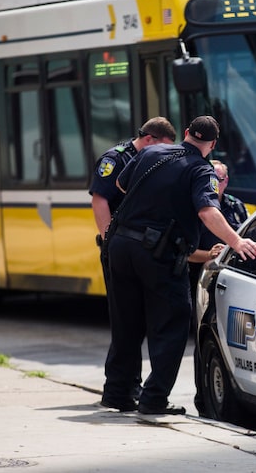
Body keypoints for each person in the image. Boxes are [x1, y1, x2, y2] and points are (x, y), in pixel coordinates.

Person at [102, 115, 256, 415]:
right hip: (157, 252)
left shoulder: (150, 152)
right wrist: (237, 242)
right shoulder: (202, 170)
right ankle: (153, 399)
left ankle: (117, 393)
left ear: (186, 133)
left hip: (121, 246)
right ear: (212, 145)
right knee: (172, 322)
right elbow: (207, 212)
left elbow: (121, 186)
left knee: (126, 321)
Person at [89, 117, 176, 409]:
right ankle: (121, 387)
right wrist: (110, 239)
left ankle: (129, 386)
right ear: (149, 139)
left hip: (134, 246)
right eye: (163, 148)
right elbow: (100, 200)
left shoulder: (149, 159)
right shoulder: (116, 159)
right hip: (118, 246)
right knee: (125, 320)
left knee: (134, 320)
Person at [187, 160, 248, 294]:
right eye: (209, 180)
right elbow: (183, 253)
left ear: (226, 181)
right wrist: (209, 255)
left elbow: (248, 236)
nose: (213, 186)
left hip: (232, 278)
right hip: (196, 281)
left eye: (217, 181)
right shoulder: (190, 209)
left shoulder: (236, 205)